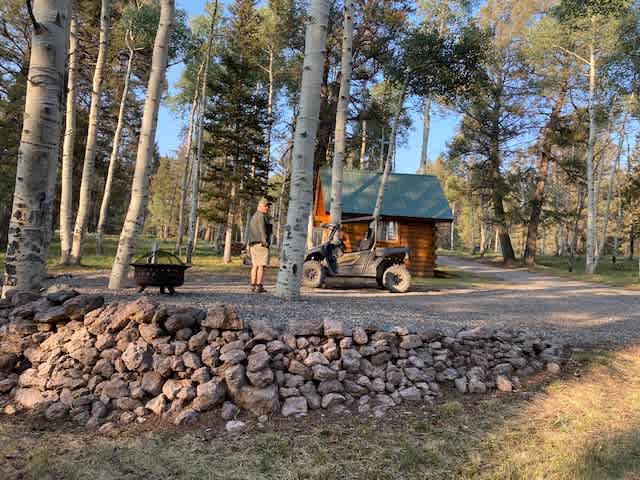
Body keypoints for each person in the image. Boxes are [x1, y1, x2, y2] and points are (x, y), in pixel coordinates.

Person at [247, 197, 272, 293]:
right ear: (260, 206)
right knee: (261, 265)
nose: (267, 208)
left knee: (255, 265)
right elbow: (262, 230)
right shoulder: (261, 216)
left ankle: (253, 286)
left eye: (268, 206)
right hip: (261, 244)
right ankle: (259, 286)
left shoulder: (254, 216)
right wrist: (265, 242)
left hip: (253, 244)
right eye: (266, 206)